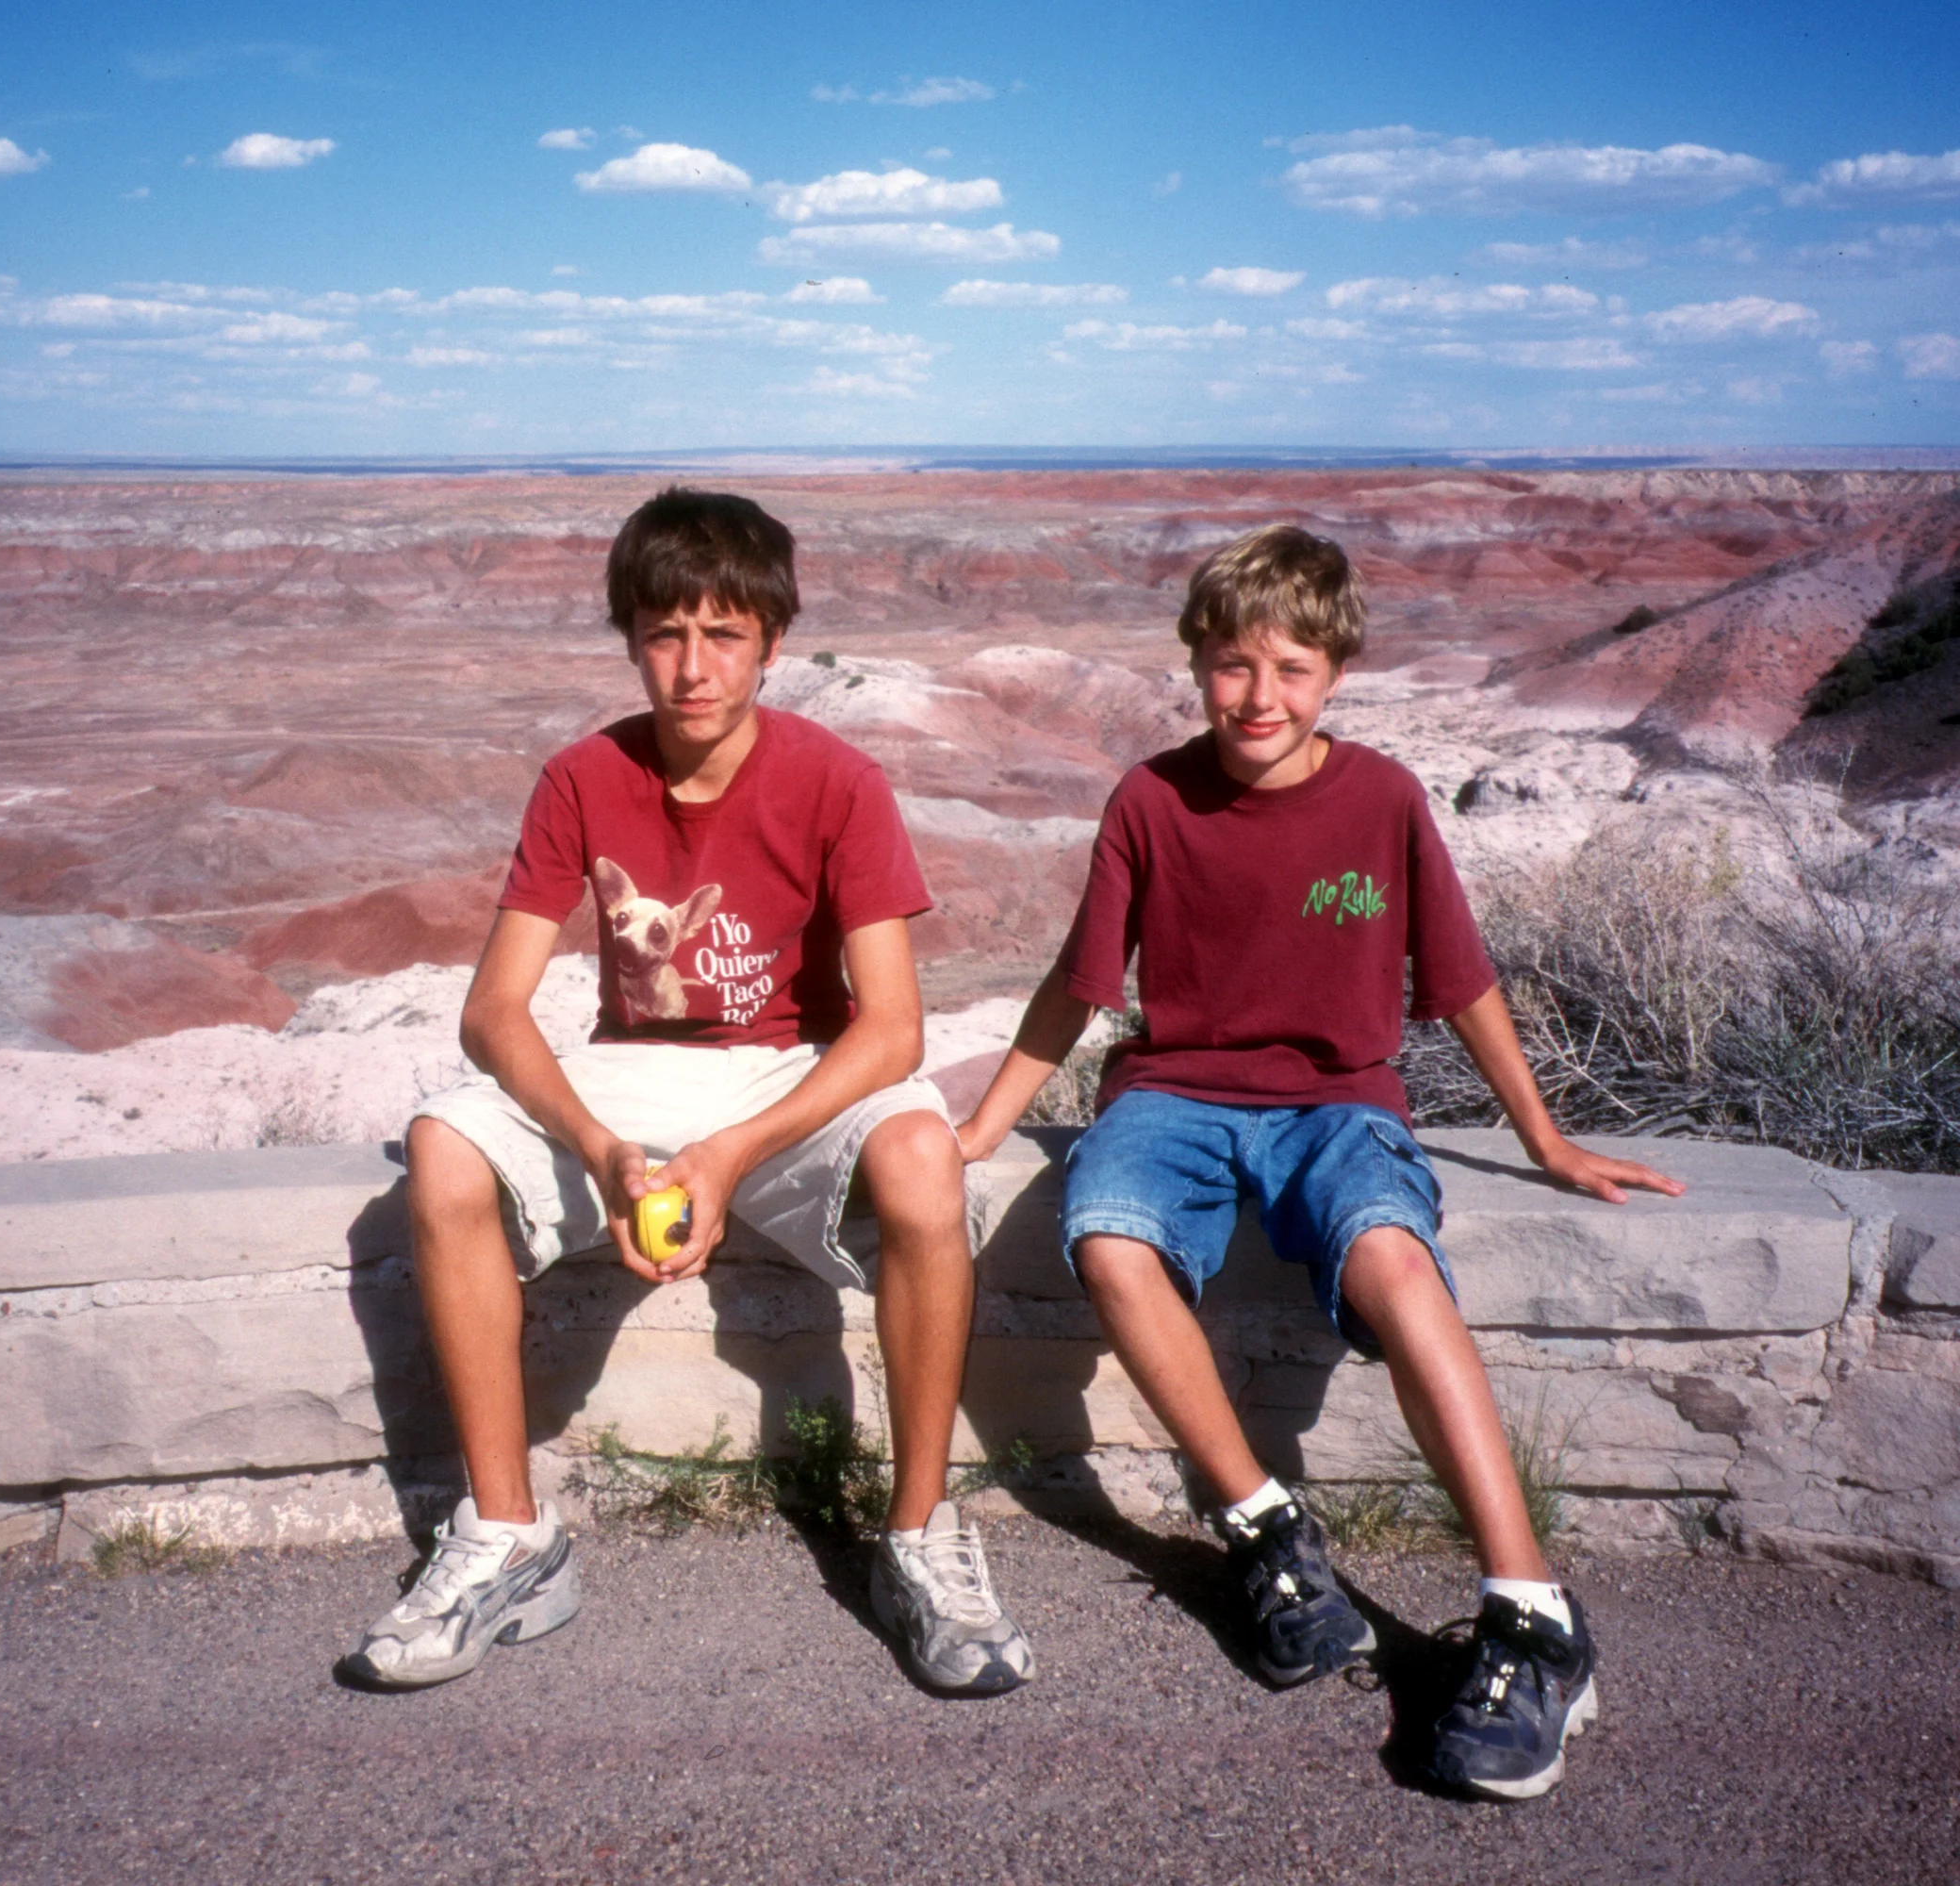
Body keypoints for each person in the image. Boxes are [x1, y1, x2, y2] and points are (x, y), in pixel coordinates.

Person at [952, 523, 1684, 1799]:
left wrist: (1542, 1134)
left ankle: (1533, 1613)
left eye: (1291, 668)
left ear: (1335, 672)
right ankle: (1263, 1526)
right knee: (1109, 1235)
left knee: (1395, 1260)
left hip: (1340, 1103)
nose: (1260, 696)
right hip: (1173, 1093)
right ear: (1197, 662)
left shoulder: (1383, 798)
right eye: (1233, 665)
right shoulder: (1151, 799)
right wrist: (979, 1129)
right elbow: (1080, 983)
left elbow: (1461, 979)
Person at [342, 488, 1029, 1696]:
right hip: (633, 1068)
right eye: (665, 633)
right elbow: (493, 1010)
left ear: (773, 640)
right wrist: (603, 1146)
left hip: (794, 1069)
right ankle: (508, 1534)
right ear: (630, 638)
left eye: (724, 634)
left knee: (924, 1160)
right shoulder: (582, 776)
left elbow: (892, 1027)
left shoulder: (839, 780)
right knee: (443, 1145)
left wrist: (729, 1151)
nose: (694, 667)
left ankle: (919, 1533)